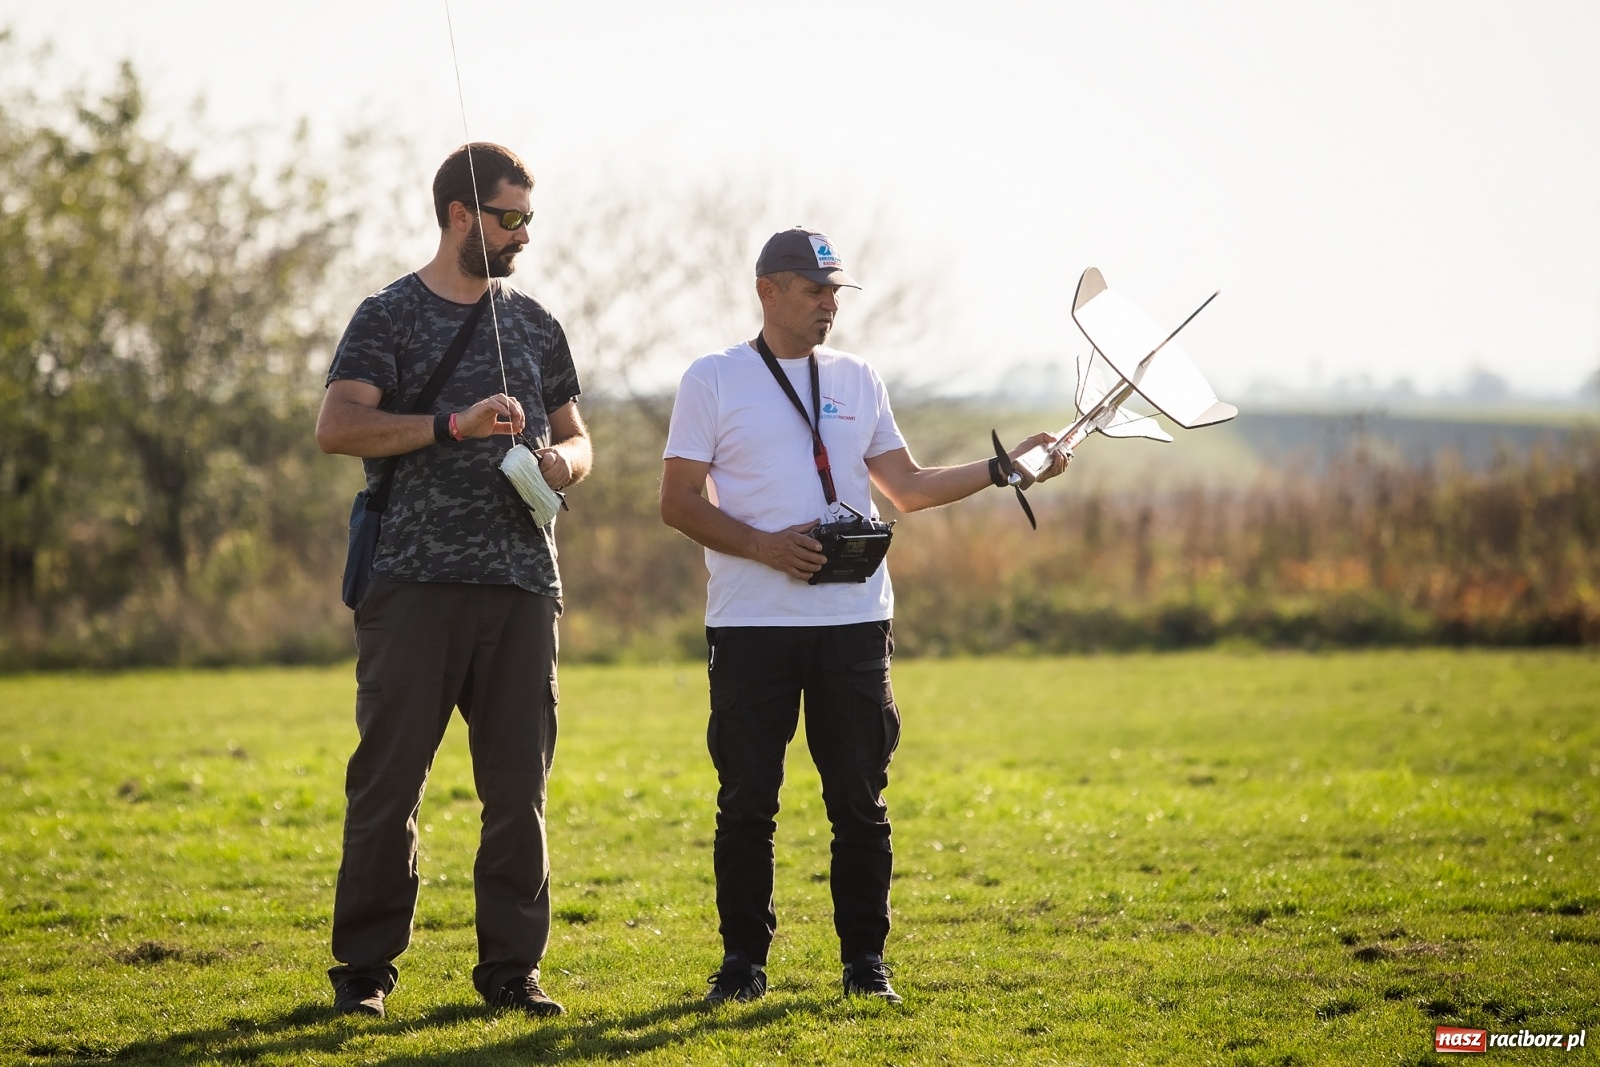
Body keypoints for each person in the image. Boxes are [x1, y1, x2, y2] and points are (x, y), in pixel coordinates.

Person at [658, 227, 1067, 1004]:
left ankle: (864, 966)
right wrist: (764, 546)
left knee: (859, 800)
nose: (829, 306)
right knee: (747, 802)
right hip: (751, 624)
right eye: (815, 291)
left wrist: (1000, 466)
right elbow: (676, 502)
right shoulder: (712, 379)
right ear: (767, 291)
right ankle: (743, 966)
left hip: (853, 623)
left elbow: (905, 488)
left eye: (835, 293)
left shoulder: (859, 376)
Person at [314, 142, 590, 1019]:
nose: (523, 234)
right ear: (460, 215)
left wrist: (563, 459)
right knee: (389, 780)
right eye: (510, 217)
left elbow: (582, 439)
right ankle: (364, 972)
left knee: (518, 788)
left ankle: (512, 972)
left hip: (521, 584)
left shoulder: (537, 324)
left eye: (529, 219)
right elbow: (338, 426)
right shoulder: (389, 314)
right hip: (413, 582)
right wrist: (452, 424)